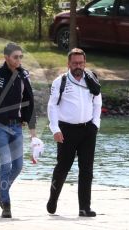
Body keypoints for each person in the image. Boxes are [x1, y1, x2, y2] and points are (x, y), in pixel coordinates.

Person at [0, 43, 37, 218]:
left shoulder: (23, 75)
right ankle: (6, 204)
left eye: (21, 57)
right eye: (15, 57)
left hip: (17, 127)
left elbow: (30, 102)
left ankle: (1, 189)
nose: (19, 60)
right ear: (6, 57)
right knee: (6, 164)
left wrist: (32, 131)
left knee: (18, 166)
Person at [46, 48, 102, 217]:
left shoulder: (91, 79)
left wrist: (95, 125)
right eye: (75, 63)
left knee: (86, 169)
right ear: (68, 64)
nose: (78, 66)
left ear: (85, 63)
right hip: (66, 130)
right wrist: (55, 129)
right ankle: (53, 199)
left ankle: (84, 207)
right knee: (63, 167)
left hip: (88, 130)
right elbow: (52, 106)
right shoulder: (60, 81)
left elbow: (98, 103)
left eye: (81, 63)